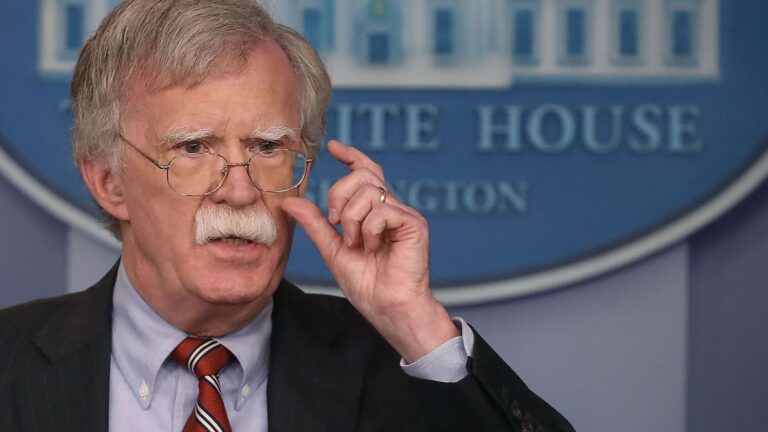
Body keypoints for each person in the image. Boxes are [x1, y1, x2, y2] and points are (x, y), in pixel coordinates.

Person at [0, 0, 574, 431]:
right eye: (194, 149)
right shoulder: (12, 364)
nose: (241, 191)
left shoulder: (401, 367)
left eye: (268, 148)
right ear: (108, 181)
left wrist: (415, 324)